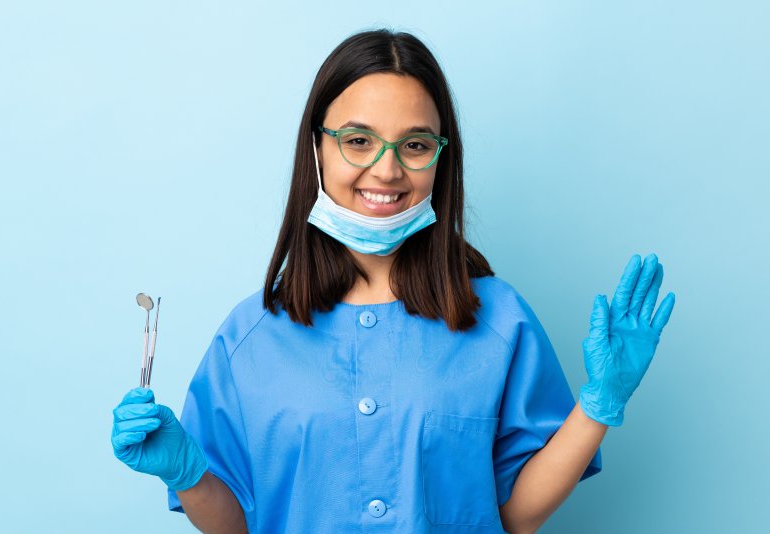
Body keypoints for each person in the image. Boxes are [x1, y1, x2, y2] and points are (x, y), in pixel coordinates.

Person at [111, 29, 676, 534]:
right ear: (317, 149)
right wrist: (186, 471)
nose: (386, 169)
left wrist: (600, 404)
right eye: (358, 140)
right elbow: (236, 526)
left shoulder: (499, 319)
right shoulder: (250, 336)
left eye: (414, 144)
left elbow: (514, 516)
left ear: (439, 158)